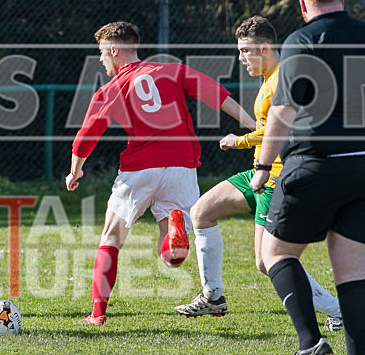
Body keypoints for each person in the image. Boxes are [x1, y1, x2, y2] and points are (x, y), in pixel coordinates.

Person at [249, 0, 365, 355]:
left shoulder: (301, 40)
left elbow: (283, 113)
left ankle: (309, 342)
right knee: (351, 271)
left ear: (303, 5)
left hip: (318, 162)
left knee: (275, 255)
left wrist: (263, 167)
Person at [67, 21, 256, 325]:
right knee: (170, 256)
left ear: (115, 50)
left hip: (139, 167)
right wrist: (253, 125)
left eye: (102, 52)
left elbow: (86, 136)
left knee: (110, 238)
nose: (101, 60)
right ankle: (174, 231)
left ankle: (97, 314)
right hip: (182, 166)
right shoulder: (171, 70)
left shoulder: (111, 89)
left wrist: (75, 172)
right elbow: (217, 95)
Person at [174, 16, 343, 332]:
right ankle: (213, 297)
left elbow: (280, 129)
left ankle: (338, 310)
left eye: (246, 50)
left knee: (267, 263)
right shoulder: (269, 79)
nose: (241, 58)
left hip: (278, 177)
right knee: (202, 211)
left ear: (265, 47)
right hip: (259, 173)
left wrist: (239, 140)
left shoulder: (281, 79)